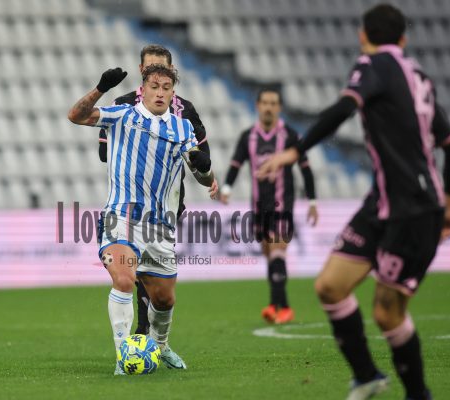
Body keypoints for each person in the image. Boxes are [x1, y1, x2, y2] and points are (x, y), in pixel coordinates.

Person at [256, 4, 450, 400]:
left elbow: (344, 108)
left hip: (414, 208)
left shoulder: (373, 65)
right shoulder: (418, 77)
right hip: (384, 202)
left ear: (362, 35)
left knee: (387, 312)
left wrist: (294, 150)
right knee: (330, 286)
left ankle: (418, 394)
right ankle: (367, 376)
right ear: (403, 38)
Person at [68, 64, 217, 374]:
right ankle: (123, 357)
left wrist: (204, 168)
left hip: (159, 227)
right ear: (143, 89)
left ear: (173, 93)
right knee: (124, 280)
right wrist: (100, 88)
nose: (160, 92)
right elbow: (76, 116)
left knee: (164, 300)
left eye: (166, 87)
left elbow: (204, 178)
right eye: (154, 86)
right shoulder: (123, 115)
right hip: (120, 217)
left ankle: (160, 345)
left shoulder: (183, 129)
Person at [98, 44, 212, 335]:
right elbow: (103, 151)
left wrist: (204, 168)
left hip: (167, 205)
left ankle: (154, 339)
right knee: (130, 272)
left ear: (171, 73)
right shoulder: (124, 105)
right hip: (128, 206)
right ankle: (139, 336)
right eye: (150, 69)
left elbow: (201, 159)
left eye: (163, 72)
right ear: (142, 72)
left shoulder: (185, 112)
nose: (158, 80)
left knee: (158, 285)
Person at [220, 88, 318, 324]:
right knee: (269, 253)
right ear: (258, 106)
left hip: (283, 205)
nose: (268, 107)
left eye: (273, 103)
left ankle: (278, 307)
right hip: (259, 207)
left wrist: (313, 201)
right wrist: (227, 188)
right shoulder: (248, 137)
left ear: (279, 108)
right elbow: (236, 164)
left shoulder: (290, 136)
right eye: (265, 102)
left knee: (277, 249)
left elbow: (305, 169)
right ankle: (281, 305)